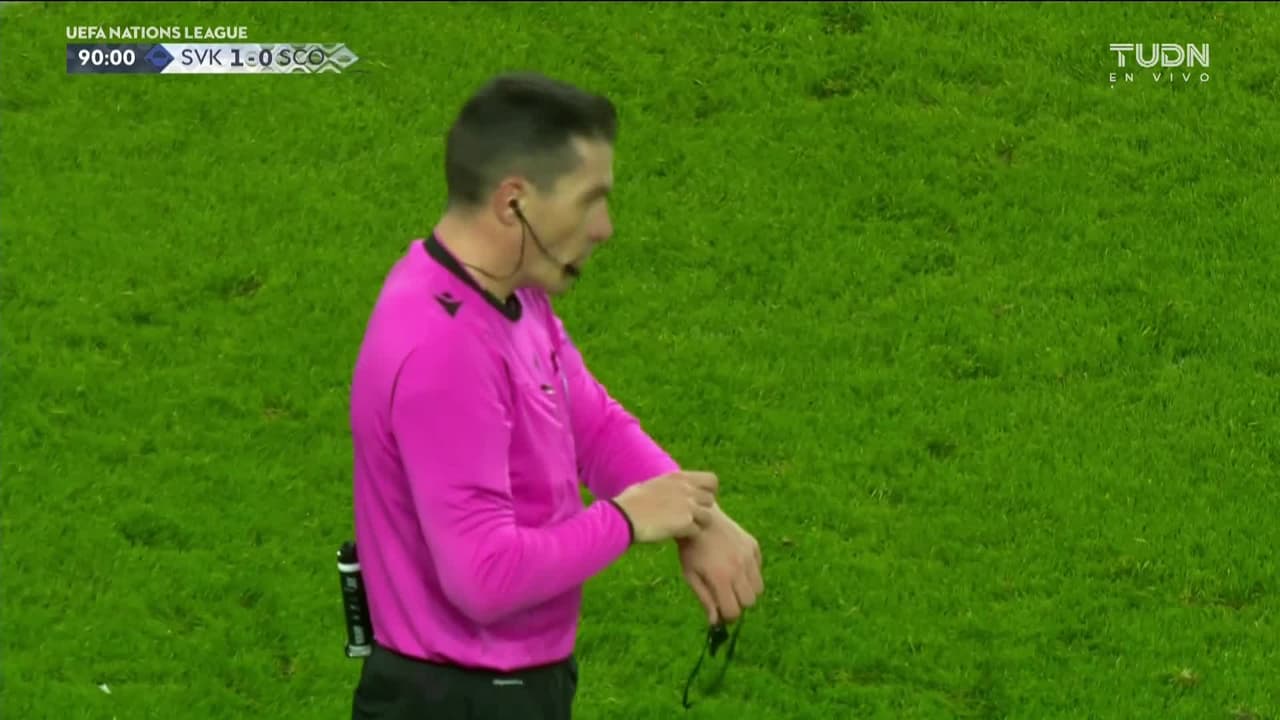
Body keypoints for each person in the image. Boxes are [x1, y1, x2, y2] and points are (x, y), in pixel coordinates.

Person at [347, 71, 764, 719]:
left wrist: (697, 517)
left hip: (505, 690)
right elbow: (483, 577)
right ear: (514, 203)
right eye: (589, 200)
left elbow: (593, 428)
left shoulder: (512, 296)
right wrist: (627, 519)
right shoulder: (443, 349)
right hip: (458, 701)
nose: (605, 228)